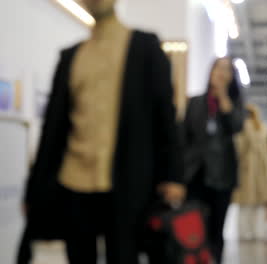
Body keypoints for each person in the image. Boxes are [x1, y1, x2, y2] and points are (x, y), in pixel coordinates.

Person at [21, 0, 185, 263]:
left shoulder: (145, 48)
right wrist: (34, 190)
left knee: (123, 256)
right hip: (74, 182)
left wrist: (173, 175)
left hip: (127, 183)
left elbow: (165, 117)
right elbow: (53, 131)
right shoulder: (72, 57)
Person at [183, 57, 244, 263]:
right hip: (195, 173)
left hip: (222, 175)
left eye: (227, 70)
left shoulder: (234, 105)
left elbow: (236, 127)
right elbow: (184, 138)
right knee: (194, 228)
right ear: (210, 72)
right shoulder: (195, 102)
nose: (221, 72)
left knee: (216, 229)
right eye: (218, 68)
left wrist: (224, 99)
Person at [232, 104, 267, 241]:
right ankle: (257, 231)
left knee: (244, 203)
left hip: (247, 168)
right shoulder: (262, 127)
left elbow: (239, 148)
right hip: (261, 168)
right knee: (258, 202)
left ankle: (244, 232)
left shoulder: (243, 127)